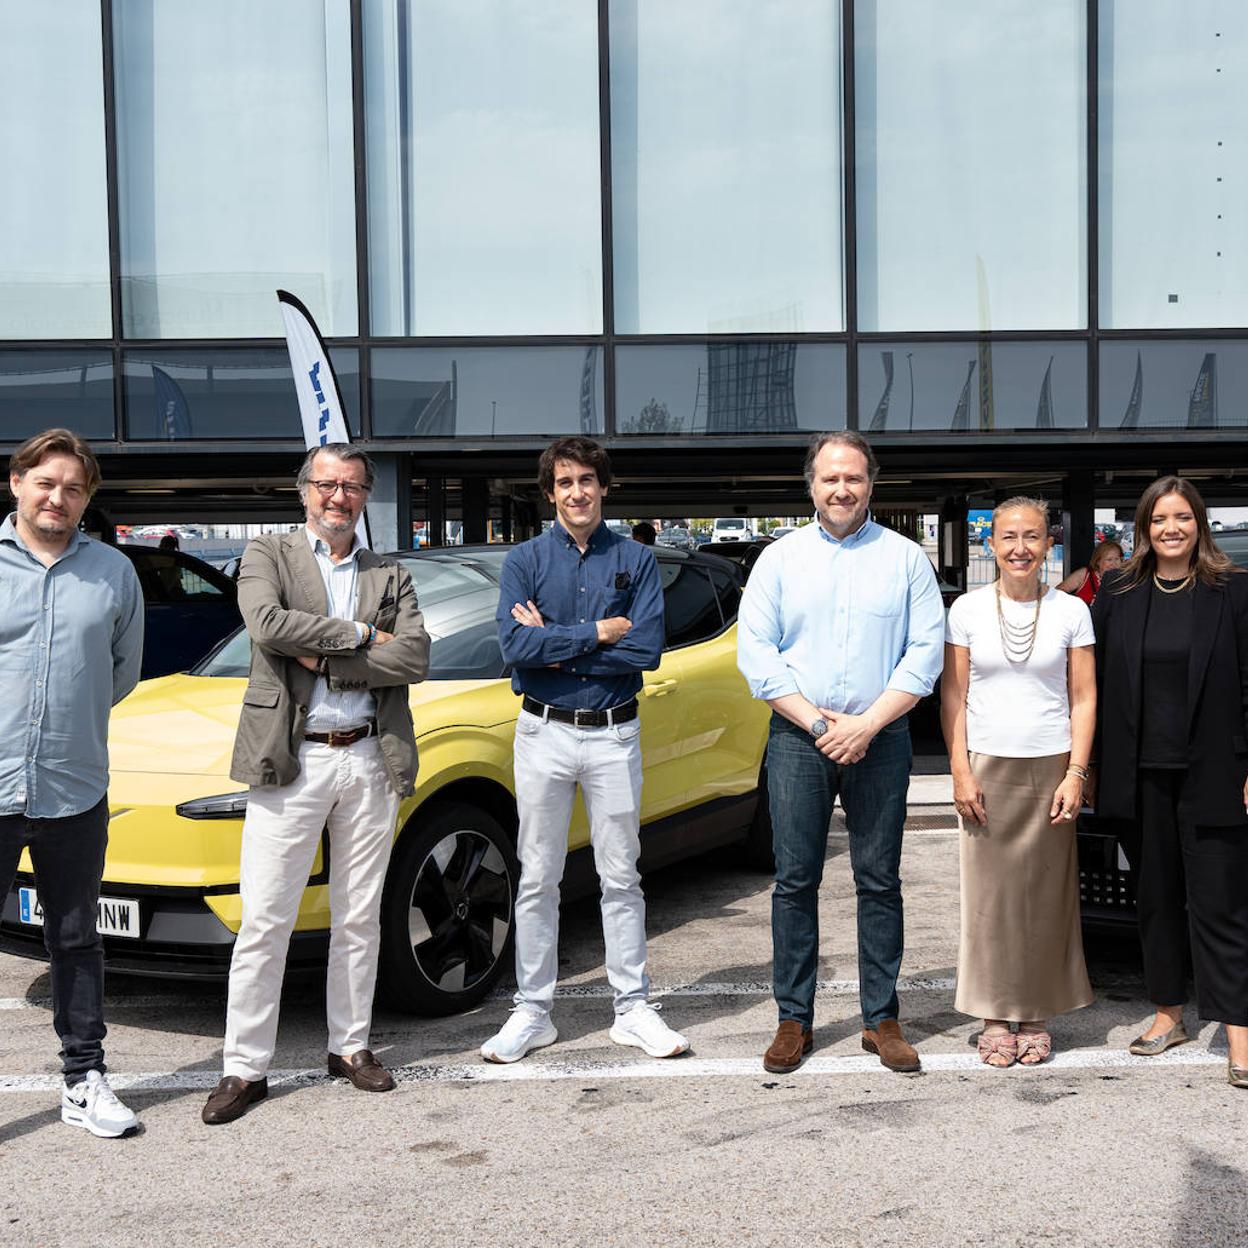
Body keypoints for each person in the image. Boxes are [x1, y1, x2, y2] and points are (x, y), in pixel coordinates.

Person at [202, 444, 430, 1124]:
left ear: (365, 497)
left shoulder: (388, 570)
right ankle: (244, 1068)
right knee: (266, 918)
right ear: (305, 491)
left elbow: (416, 656)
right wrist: (363, 635)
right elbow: (265, 625)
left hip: (368, 757)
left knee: (359, 914)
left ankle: (351, 1048)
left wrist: (327, 657)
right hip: (291, 760)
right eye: (328, 484)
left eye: (353, 487)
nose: (340, 497)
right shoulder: (268, 554)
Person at [737, 431, 944, 1074]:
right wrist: (819, 723)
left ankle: (881, 1018)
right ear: (811, 485)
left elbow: (924, 654)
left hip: (881, 739)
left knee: (879, 881)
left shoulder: (907, 560)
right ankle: (792, 1019)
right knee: (795, 882)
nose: (841, 489)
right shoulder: (778, 560)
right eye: (830, 478)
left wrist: (866, 724)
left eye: (852, 478)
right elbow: (758, 654)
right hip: (799, 740)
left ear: (871, 484)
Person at [480, 436, 688, 1063]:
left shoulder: (636, 558)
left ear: (604, 487)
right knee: (538, 875)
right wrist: (596, 631)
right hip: (542, 732)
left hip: (614, 732)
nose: (577, 492)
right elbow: (515, 650)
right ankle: (533, 1012)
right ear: (550, 494)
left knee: (620, 875)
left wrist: (555, 640)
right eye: (565, 483)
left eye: (587, 481)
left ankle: (632, 1008)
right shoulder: (522, 561)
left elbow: (645, 650)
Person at [0, 429, 144, 1137]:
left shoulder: (113, 572)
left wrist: (64, 722)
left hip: (74, 784)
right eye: (46, 482)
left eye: (75, 488)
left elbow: (120, 672)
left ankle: (84, 1080)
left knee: (76, 937)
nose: (59, 497)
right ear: (18, 483)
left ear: (87, 499)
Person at [1091, 476, 1248, 1090]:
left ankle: (1238, 1028)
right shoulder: (1120, 593)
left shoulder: (1232, 592)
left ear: (1200, 525)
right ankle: (1167, 1014)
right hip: (1141, 774)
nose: (1171, 529)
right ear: (1143, 528)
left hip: (1214, 773)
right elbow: (1091, 681)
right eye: (1159, 520)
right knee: (1155, 898)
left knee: (1222, 902)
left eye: (1182, 518)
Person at [941, 497, 1096, 1066]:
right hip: (987, 765)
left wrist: (1076, 772)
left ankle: (1035, 1011)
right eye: (1008, 537)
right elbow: (954, 696)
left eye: (1032, 537)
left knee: (1047, 897)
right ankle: (994, 1013)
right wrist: (959, 769)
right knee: (990, 900)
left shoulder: (1071, 612)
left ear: (1048, 544)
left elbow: (1084, 697)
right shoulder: (967, 611)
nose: (1020, 548)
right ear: (991, 544)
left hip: (1052, 764)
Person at [1056, 538, 1123, 606]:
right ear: (1098, 561)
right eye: (1109, 560)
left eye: (1117, 559)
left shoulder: (1124, 579)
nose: (1114, 564)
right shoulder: (1085, 574)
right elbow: (1058, 592)